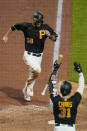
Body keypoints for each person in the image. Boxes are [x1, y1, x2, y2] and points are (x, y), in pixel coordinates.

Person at [2, 11, 58, 102]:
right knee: (37, 70)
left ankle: (26, 90)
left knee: (33, 74)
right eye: (38, 21)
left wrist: (50, 35)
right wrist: (6, 36)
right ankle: (28, 86)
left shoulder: (45, 27)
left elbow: (55, 38)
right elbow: (13, 27)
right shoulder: (26, 26)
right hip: (28, 55)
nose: (39, 23)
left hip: (39, 57)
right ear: (34, 20)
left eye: (40, 21)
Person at [48, 60, 85, 131]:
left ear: (61, 90)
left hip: (58, 128)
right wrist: (80, 73)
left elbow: (51, 85)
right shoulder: (74, 100)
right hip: (70, 129)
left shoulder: (56, 100)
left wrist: (55, 70)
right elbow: (81, 86)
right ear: (70, 90)